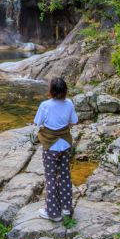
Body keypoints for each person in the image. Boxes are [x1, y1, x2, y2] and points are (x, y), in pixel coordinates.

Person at [34, 77, 78, 222]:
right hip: (65, 144)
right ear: (65, 90)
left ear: (51, 91)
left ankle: (53, 213)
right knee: (65, 175)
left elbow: (37, 122)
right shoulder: (69, 103)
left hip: (50, 146)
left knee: (51, 177)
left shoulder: (45, 105)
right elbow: (74, 121)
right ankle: (66, 208)